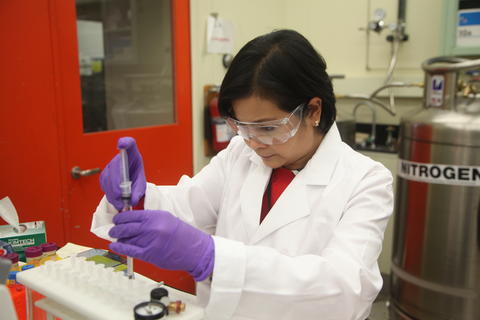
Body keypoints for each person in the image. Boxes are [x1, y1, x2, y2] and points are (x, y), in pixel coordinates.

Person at [91, 29, 393, 320]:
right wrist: (137, 197)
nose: (253, 142)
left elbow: (344, 292)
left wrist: (212, 260)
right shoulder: (239, 155)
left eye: (269, 127)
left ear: (313, 111)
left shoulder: (365, 180)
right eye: (242, 126)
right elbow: (184, 207)